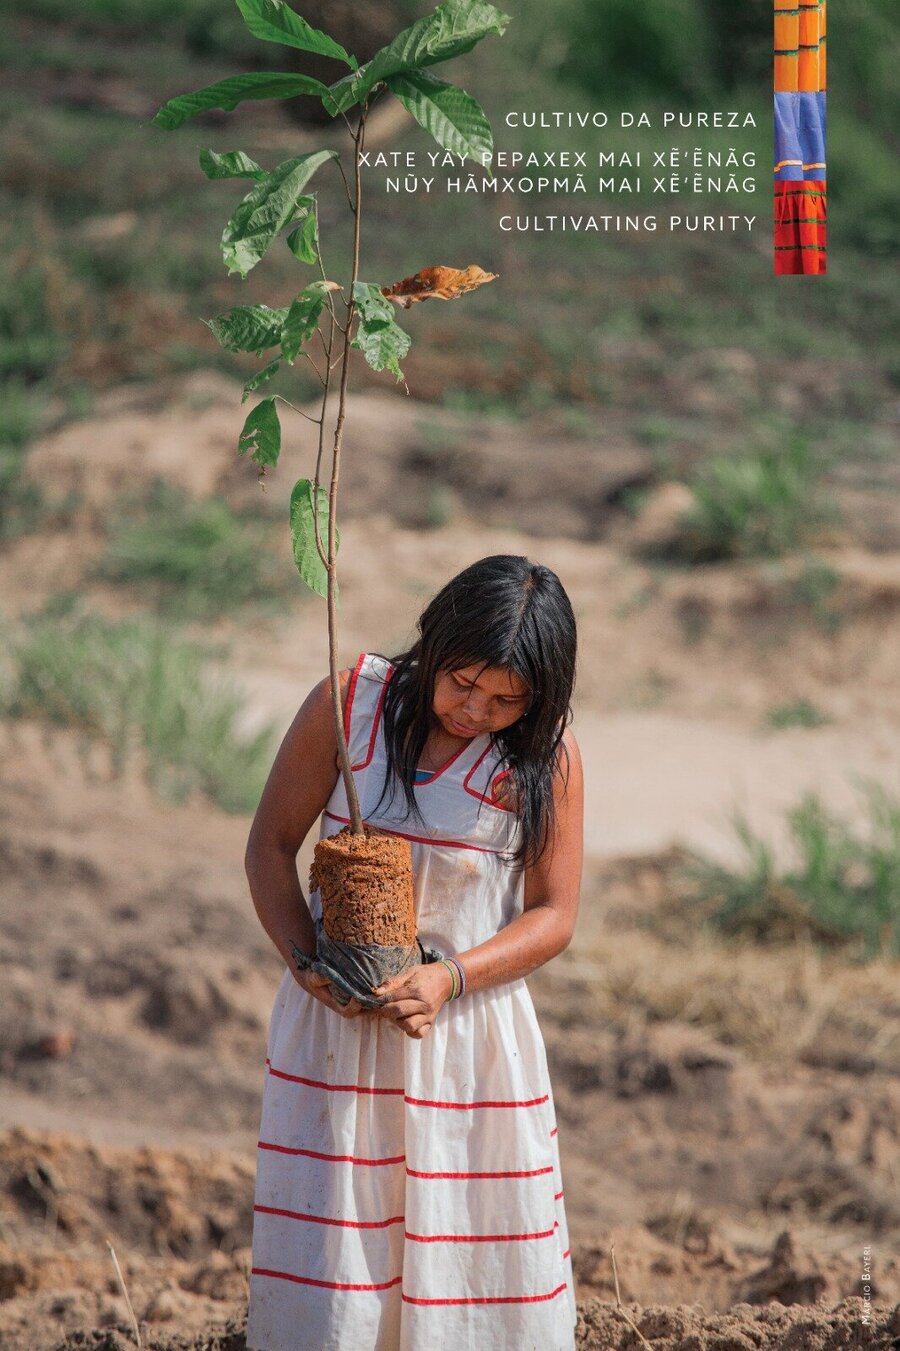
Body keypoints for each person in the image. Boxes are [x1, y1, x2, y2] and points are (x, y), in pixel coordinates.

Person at [244, 554, 583, 1351]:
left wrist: (449, 977)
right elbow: (269, 846)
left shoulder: (543, 760)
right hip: (338, 1034)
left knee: (470, 1267)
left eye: (507, 699)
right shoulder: (347, 706)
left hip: (465, 1047)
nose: (477, 709)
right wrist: (305, 962)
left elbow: (555, 913)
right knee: (336, 1264)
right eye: (463, 682)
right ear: (435, 640)